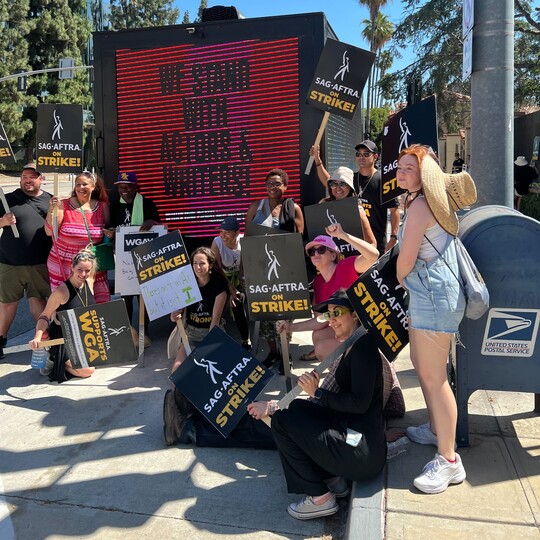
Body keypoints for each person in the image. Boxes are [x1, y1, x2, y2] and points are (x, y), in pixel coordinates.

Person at [396, 144, 477, 494]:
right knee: (422, 366)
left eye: (409, 168)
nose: (401, 172)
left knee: (434, 376)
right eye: (399, 166)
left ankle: (448, 460)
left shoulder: (419, 206)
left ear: (424, 176)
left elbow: (406, 260)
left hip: (433, 296)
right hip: (429, 294)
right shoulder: (421, 202)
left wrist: (399, 278)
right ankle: (435, 428)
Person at [269, 289, 386, 519]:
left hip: (362, 450)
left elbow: (359, 404)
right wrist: (315, 394)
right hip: (355, 436)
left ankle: (320, 498)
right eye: (328, 315)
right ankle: (335, 480)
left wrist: (318, 393)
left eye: (337, 312)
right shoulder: (353, 343)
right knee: (296, 409)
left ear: (354, 314)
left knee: (281, 421)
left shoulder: (363, 347)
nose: (331, 319)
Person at [278, 224, 378, 362]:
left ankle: (352, 367)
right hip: (347, 327)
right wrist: (290, 327)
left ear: (333, 255)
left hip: (364, 328)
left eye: (321, 249)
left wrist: (343, 235)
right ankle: (345, 368)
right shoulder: (318, 282)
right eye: (312, 252)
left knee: (321, 348)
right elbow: (321, 320)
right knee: (318, 336)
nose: (316, 254)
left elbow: (373, 256)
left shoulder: (345, 266)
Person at [164, 247, 229, 445]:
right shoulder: (187, 284)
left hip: (212, 335)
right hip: (190, 333)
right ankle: (178, 419)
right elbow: (177, 311)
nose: (198, 267)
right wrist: (174, 314)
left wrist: (204, 354)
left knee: (214, 377)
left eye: (202, 263)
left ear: (210, 266)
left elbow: (215, 322)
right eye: (195, 263)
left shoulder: (219, 287)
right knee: (178, 373)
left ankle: (203, 413)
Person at [245, 168, 304, 368]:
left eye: (277, 183)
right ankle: (273, 353)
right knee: (265, 312)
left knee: (284, 312)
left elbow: (300, 238)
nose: (273, 187)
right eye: (269, 183)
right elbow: (248, 238)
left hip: (284, 269)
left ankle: (286, 355)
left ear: (285, 187)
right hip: (261, 270)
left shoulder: (293, 208)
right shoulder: (256, 207)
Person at [0, 164, 52, 359]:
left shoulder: (49, 200)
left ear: (41, 179)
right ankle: (1, 339)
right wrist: (3, 222)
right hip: (10, 262)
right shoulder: (8, 200)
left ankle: (43, 339)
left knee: (38, 301)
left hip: (40, 263)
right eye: (24, 176)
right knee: (7, 304)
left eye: (32, 176)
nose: (28, 180)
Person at [311, 141, 400, 254]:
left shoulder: (383, 181)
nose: (361, 157)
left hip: (374, 242)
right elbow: (329, 182)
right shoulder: (351, 178)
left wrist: (393, 236)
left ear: (375, 157)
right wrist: (318, 161)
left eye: (366, 154)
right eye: (358, 154)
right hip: (351, 243)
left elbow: (394, 210)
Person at [107, 171, 161, 346]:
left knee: (144, 296)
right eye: (121, 187)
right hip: (124, 259)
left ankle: (144, 332)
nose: (124, 190)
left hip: (145, 256)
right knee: (126, 297)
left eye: (128, 186)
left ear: (136, 187)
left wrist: (152, 222)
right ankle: (127, 332)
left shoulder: (148, 204)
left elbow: (159, 227)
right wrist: (111, 233)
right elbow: (109, 228)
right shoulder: (114, 205)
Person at [29, 248, 97, 382]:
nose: (83, 274)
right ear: (72, 267)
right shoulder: (61, 292)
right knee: (87, 371)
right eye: (79, 270)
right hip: (63, 338)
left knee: (101, 359)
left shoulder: (89, 281)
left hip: (83, 333)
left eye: (87, 271)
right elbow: (44, 316)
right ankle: (54, 359)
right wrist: (37, 337)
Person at [45, 171, 111, 304]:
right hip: (64, 262)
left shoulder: (103, 207)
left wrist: (111, 233)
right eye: (78, 184)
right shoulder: (63, 204)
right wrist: (51, 210)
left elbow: (107, 232)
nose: (81, 188)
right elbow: (48, 231)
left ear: (93, 186)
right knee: (66, 304)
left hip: (91, 263)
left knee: (94, 303)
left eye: (84, 184)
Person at [210, 217, 250, 350]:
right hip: (222, 277)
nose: (223, 235)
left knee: (239, 301)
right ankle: (212, 338)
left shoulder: (244, 241)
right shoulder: (217, 242)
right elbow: (217, 270)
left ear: (237, 232)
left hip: (238, 276)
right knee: (227, 301)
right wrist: (231, 290)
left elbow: (243, 269)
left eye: (227, 232)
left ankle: (246, 340)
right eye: (221, 232)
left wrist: (240, 286)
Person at [320, 166, 377, 248]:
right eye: (333, 184)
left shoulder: (357, 210)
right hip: (330, 259)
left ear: (350, 188)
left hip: (352, 259)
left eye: (342, 184)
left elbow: (372, 245)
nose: (338, 188)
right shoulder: (323, 206)